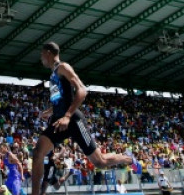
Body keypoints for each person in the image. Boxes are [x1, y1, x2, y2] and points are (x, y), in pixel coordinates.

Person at [30, 42, 134, 195]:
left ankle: (126, 159)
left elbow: (82, 90)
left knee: (100, 162)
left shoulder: (63, 67)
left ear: (48, 53)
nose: (41, 58)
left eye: (41, 54)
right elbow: (62, 99)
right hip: (58, 120)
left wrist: (67, 116)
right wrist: (49, 111)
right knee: (38, 153)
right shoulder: (52, 75)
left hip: (72, 120)